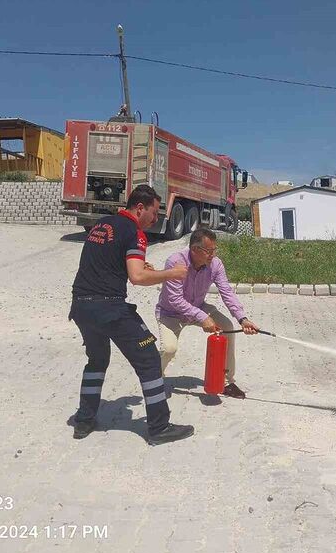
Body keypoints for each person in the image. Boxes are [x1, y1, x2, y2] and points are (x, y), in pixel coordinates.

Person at [69, 184, 193, 445]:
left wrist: (131, 266)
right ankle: (159, 428)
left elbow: (109, 262)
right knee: (149, 358)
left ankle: (84, 420)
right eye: (154, 212)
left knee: (97, 360)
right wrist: (171, 273)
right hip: (110, 308)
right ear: (140, 208)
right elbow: (137, 277)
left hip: (81, 306)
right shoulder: (135, 232)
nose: (156, 218)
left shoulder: (102, 225)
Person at [156, 228, 259, 399]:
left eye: (214, 250)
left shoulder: (216, 264)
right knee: (169, 349)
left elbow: (226, 292)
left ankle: (226, 383)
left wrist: (243, 318)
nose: (213, 255)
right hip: (170, 312)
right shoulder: (175, 262)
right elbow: (175, 300)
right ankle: (154, 381)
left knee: (227, 326)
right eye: (209, 251)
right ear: (195, 250)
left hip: (198, 306)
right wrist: (203, 317)